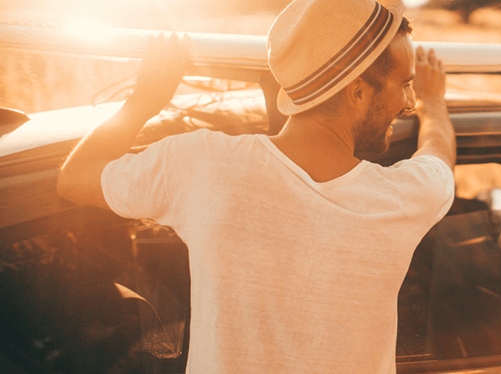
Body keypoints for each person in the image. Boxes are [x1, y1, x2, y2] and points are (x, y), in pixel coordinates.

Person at [56, 0, 455, 372]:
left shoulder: (202, 165)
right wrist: (433, 104)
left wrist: (144, 99)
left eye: (413, 90)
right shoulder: (405, 197)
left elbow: (75, 178)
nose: (408, 104)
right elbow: (438, 153)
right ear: (357, 92)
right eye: (404, 84)